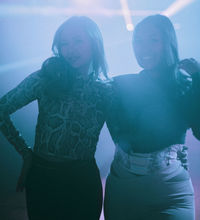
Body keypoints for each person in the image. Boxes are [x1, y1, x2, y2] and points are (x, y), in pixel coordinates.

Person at [0, 16, 112, 220]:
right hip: (44, 177)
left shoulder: (105, 90)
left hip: (84, 180)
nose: (70, 49)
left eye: (78, 41)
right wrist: (25, 153)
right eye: (64, 43)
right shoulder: (45, 78)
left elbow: (126, 132)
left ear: (94, 42)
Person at [104, 14, 200, 220]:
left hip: (171, 194)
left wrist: (199, 78)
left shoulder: (188, 83)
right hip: (123, 191)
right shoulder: (121, 84)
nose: (143, 47)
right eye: (137, 41)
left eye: (153, 40)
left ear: (168, 42)